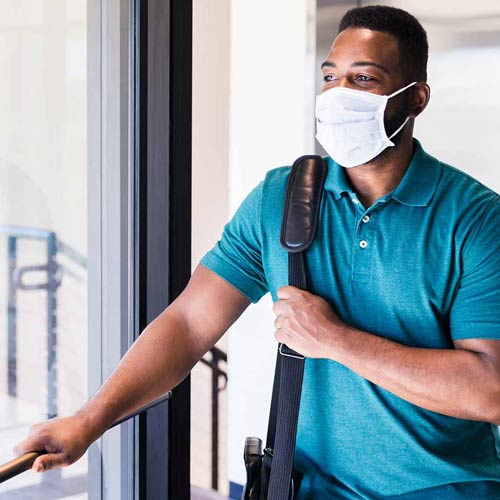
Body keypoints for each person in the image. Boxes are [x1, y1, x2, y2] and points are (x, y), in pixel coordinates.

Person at [14, 5, 500, 499]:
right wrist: (88, 421)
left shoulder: (476, 219)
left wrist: (335, 340)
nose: (338, 96)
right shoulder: (280, 200)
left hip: (447, 488)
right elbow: (188, 323)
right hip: (309, 487)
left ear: (415, 98)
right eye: (330, 77)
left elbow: (491, 388)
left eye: (364, 79)